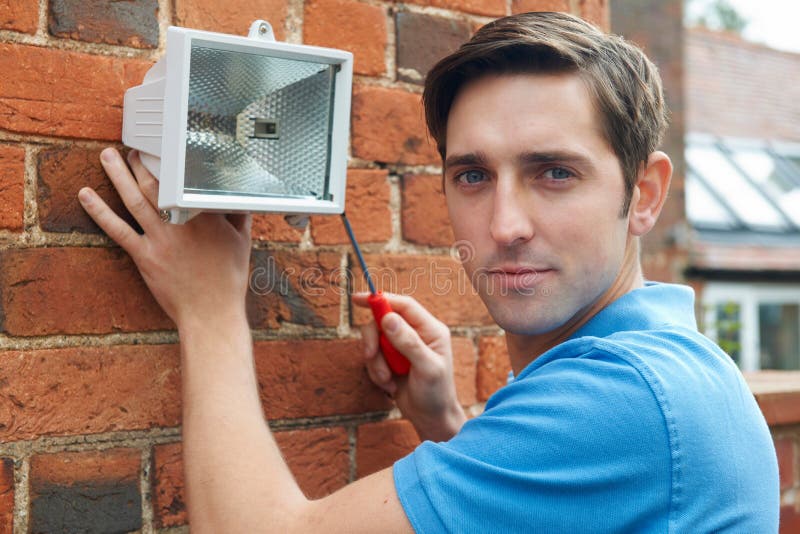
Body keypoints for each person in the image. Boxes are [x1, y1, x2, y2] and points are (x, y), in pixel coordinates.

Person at [78, 11, 779, 533]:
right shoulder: (665, 366)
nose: (505, 225)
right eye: (472, 175)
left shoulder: (625, 398)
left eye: (555, 173)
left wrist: (209, 311)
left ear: (644, 194)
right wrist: (450, 426)